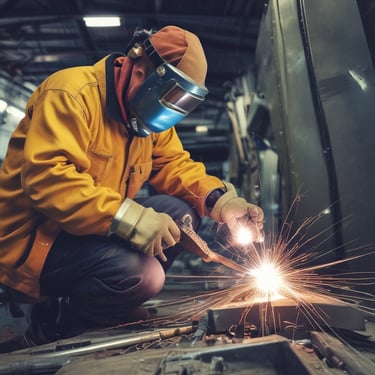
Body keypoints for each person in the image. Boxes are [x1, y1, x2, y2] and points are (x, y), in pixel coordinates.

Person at [0, 25, 264, 344]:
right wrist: (131, 218)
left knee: (179, 215)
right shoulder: (71, 93)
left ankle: (111, 298)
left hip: (89, 226)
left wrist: (221, 201)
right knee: (144, 275)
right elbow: (48, 180)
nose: (174, 108)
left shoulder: (146, 120)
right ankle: (60, 322)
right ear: (139, 71)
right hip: (35, 242)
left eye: (184, 101)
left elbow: (174, 165)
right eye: (172, 95)